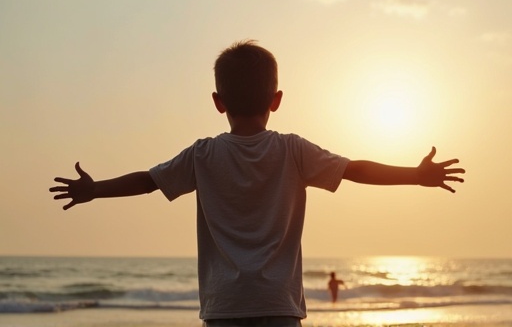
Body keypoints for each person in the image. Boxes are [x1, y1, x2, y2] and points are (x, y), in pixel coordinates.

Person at [50, 40, 465, 327]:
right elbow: (355, 169)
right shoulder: (293, 150)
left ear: (218, 102)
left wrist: (94, 189)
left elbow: (148, 182)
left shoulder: (203, 154)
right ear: (276, 99)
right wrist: (414, 175)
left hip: (223, 307)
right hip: (278, 306)